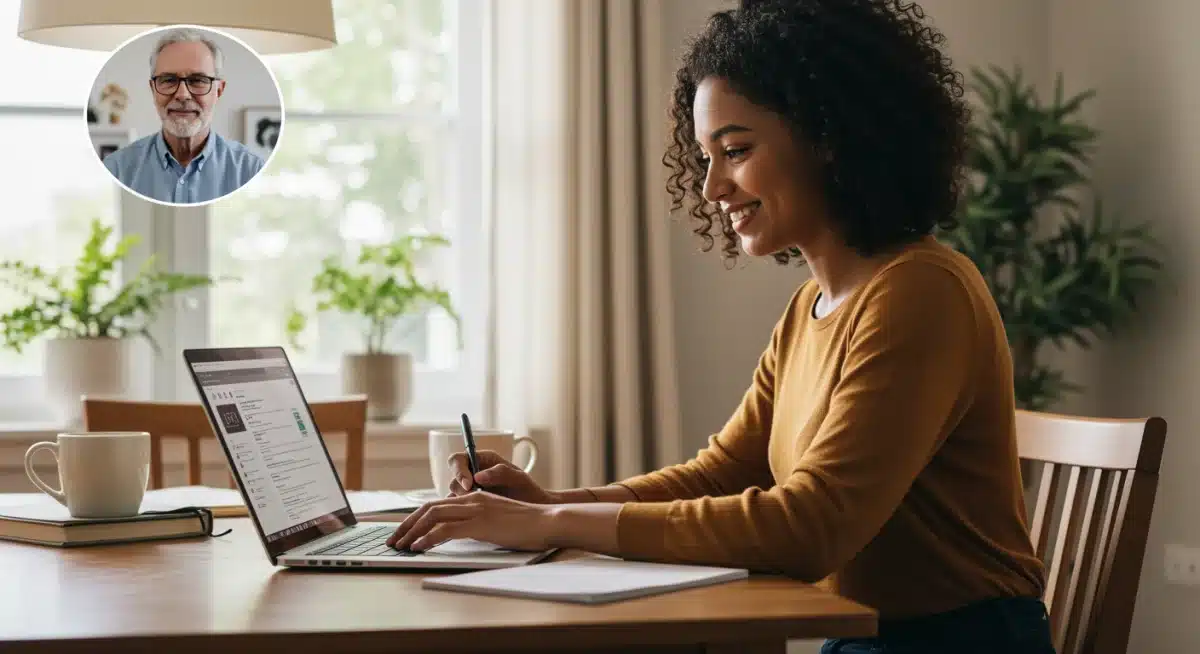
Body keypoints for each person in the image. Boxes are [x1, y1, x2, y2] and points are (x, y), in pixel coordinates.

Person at [386, 0, 1053, 651]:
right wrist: (547, 507)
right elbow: (723, 473)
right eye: (706, 158)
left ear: (829, 136)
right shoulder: (812, 308)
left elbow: (810, 527)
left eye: (734, 150)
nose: (712, 189)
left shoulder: (921, 291)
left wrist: (553, 522)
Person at [102, 28, 264, 204]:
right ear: (153, 89)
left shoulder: (251, 170)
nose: (182, 94)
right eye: (168, 80)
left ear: (219, 90)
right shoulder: (116, 168)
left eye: (197, 80)